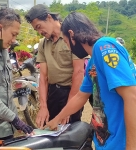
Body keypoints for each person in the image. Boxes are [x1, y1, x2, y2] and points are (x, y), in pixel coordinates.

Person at [44, 12, 136, 150]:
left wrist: (131, 146)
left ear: (72, 35)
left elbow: (131, 95)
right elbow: (81, 96)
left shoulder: (104, 46)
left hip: (121, 144)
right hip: (108, 141)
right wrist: (56, 119)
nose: (69, 48)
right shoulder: (93, 62)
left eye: (66, 41)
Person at [25, 4, 85, 128]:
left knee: (70, 133)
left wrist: (69, 107)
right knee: (52, 131)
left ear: (49, 18)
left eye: (39, 27)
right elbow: (43, 76)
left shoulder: (71, 36)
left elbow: (79, 72)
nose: (40, 32)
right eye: (36, 30)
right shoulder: (43, 44)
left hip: (70, 93)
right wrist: (43, 106)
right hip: (52, 93)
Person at [0, 8, 33, 150]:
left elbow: (5, 89)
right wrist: (14, 118)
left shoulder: (4, 50)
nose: (14, 41)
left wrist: (15, 122)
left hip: (7, 131)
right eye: (13, 35)